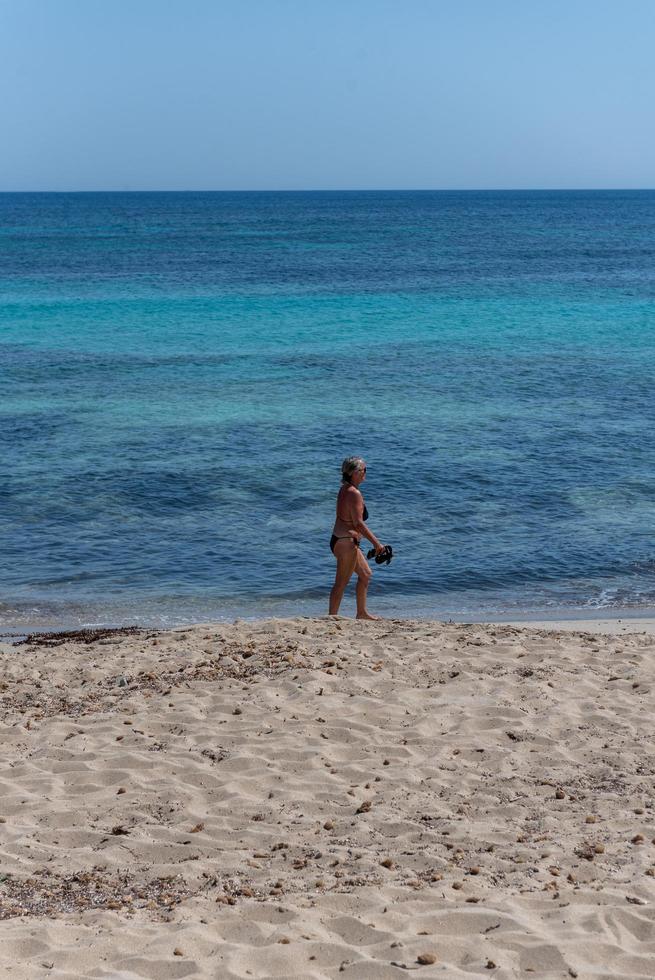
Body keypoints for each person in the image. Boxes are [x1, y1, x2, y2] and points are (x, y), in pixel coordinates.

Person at [329, 456, 386, 619]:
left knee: (365, 574)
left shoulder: (345, 488)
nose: (365, 473)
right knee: (341, 582)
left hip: (341, 540)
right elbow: (358, 523)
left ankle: (361, 613)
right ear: (354, 473)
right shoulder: (354, 493)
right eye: (363, 470)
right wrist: (377, 544)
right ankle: (331, 618)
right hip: (346, 542)